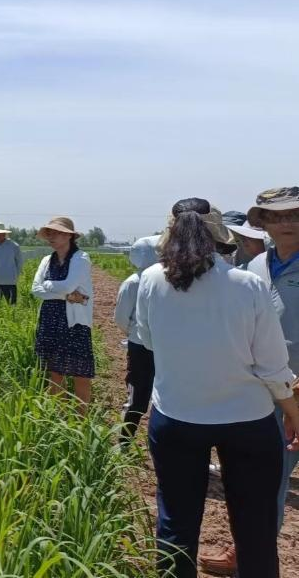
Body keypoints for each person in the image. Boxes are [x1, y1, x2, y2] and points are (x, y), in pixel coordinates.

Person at [137, 197, 299, 578]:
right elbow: (273, 366)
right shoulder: (247, 283)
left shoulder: (151, 280)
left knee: (176, 522)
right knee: (255, 526)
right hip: (248, 420)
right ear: (216, 238)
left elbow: (146, 338)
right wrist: (293, 412)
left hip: (177, 415)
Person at [201, 187, 299, 575]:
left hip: (295, 391)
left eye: (295, 214)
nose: (288, 222)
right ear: (264, 223)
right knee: (255, 481)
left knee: (269, 482)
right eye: (278, 216)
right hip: (257, 392)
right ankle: (249, 553)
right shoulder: (252, 268)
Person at [31, 216, 94, 410]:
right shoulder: (46, 260)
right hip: (50, 320)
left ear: (69, 236)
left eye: (57, 232)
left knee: (80, 373)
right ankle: (58, 416)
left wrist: (49, 286)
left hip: (74, 322)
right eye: (49, 233)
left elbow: (68, 285)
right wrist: (68, 296)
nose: (52, 237)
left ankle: (81, 419)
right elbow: (35, 289)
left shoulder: (80, 258)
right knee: (55, 372)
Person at [113, 235, 161, 443]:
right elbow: (121, 317)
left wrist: (133, 332)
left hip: (145, 344)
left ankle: (128, 441)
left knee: (143, 394)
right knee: (138, 396)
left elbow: (121, 319)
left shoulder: (139, 281)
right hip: (144, 347)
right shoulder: (134, 282)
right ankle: (124, 441)